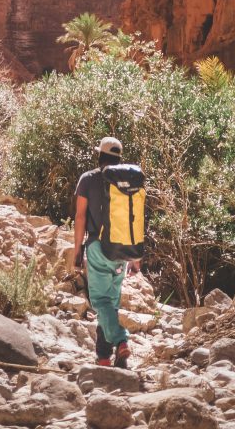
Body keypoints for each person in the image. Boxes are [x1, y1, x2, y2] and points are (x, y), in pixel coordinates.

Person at [74, 136, 141, 368]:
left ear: (99, 155)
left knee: (100, 301)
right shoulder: (128, 181)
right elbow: (136, 218)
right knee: (110, 305)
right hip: (123, 251)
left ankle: (121, 340)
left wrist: (77, 250)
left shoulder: (88, 179)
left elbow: (80, 217)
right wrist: (135, 256)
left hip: (98, 247)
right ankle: (104, 357)